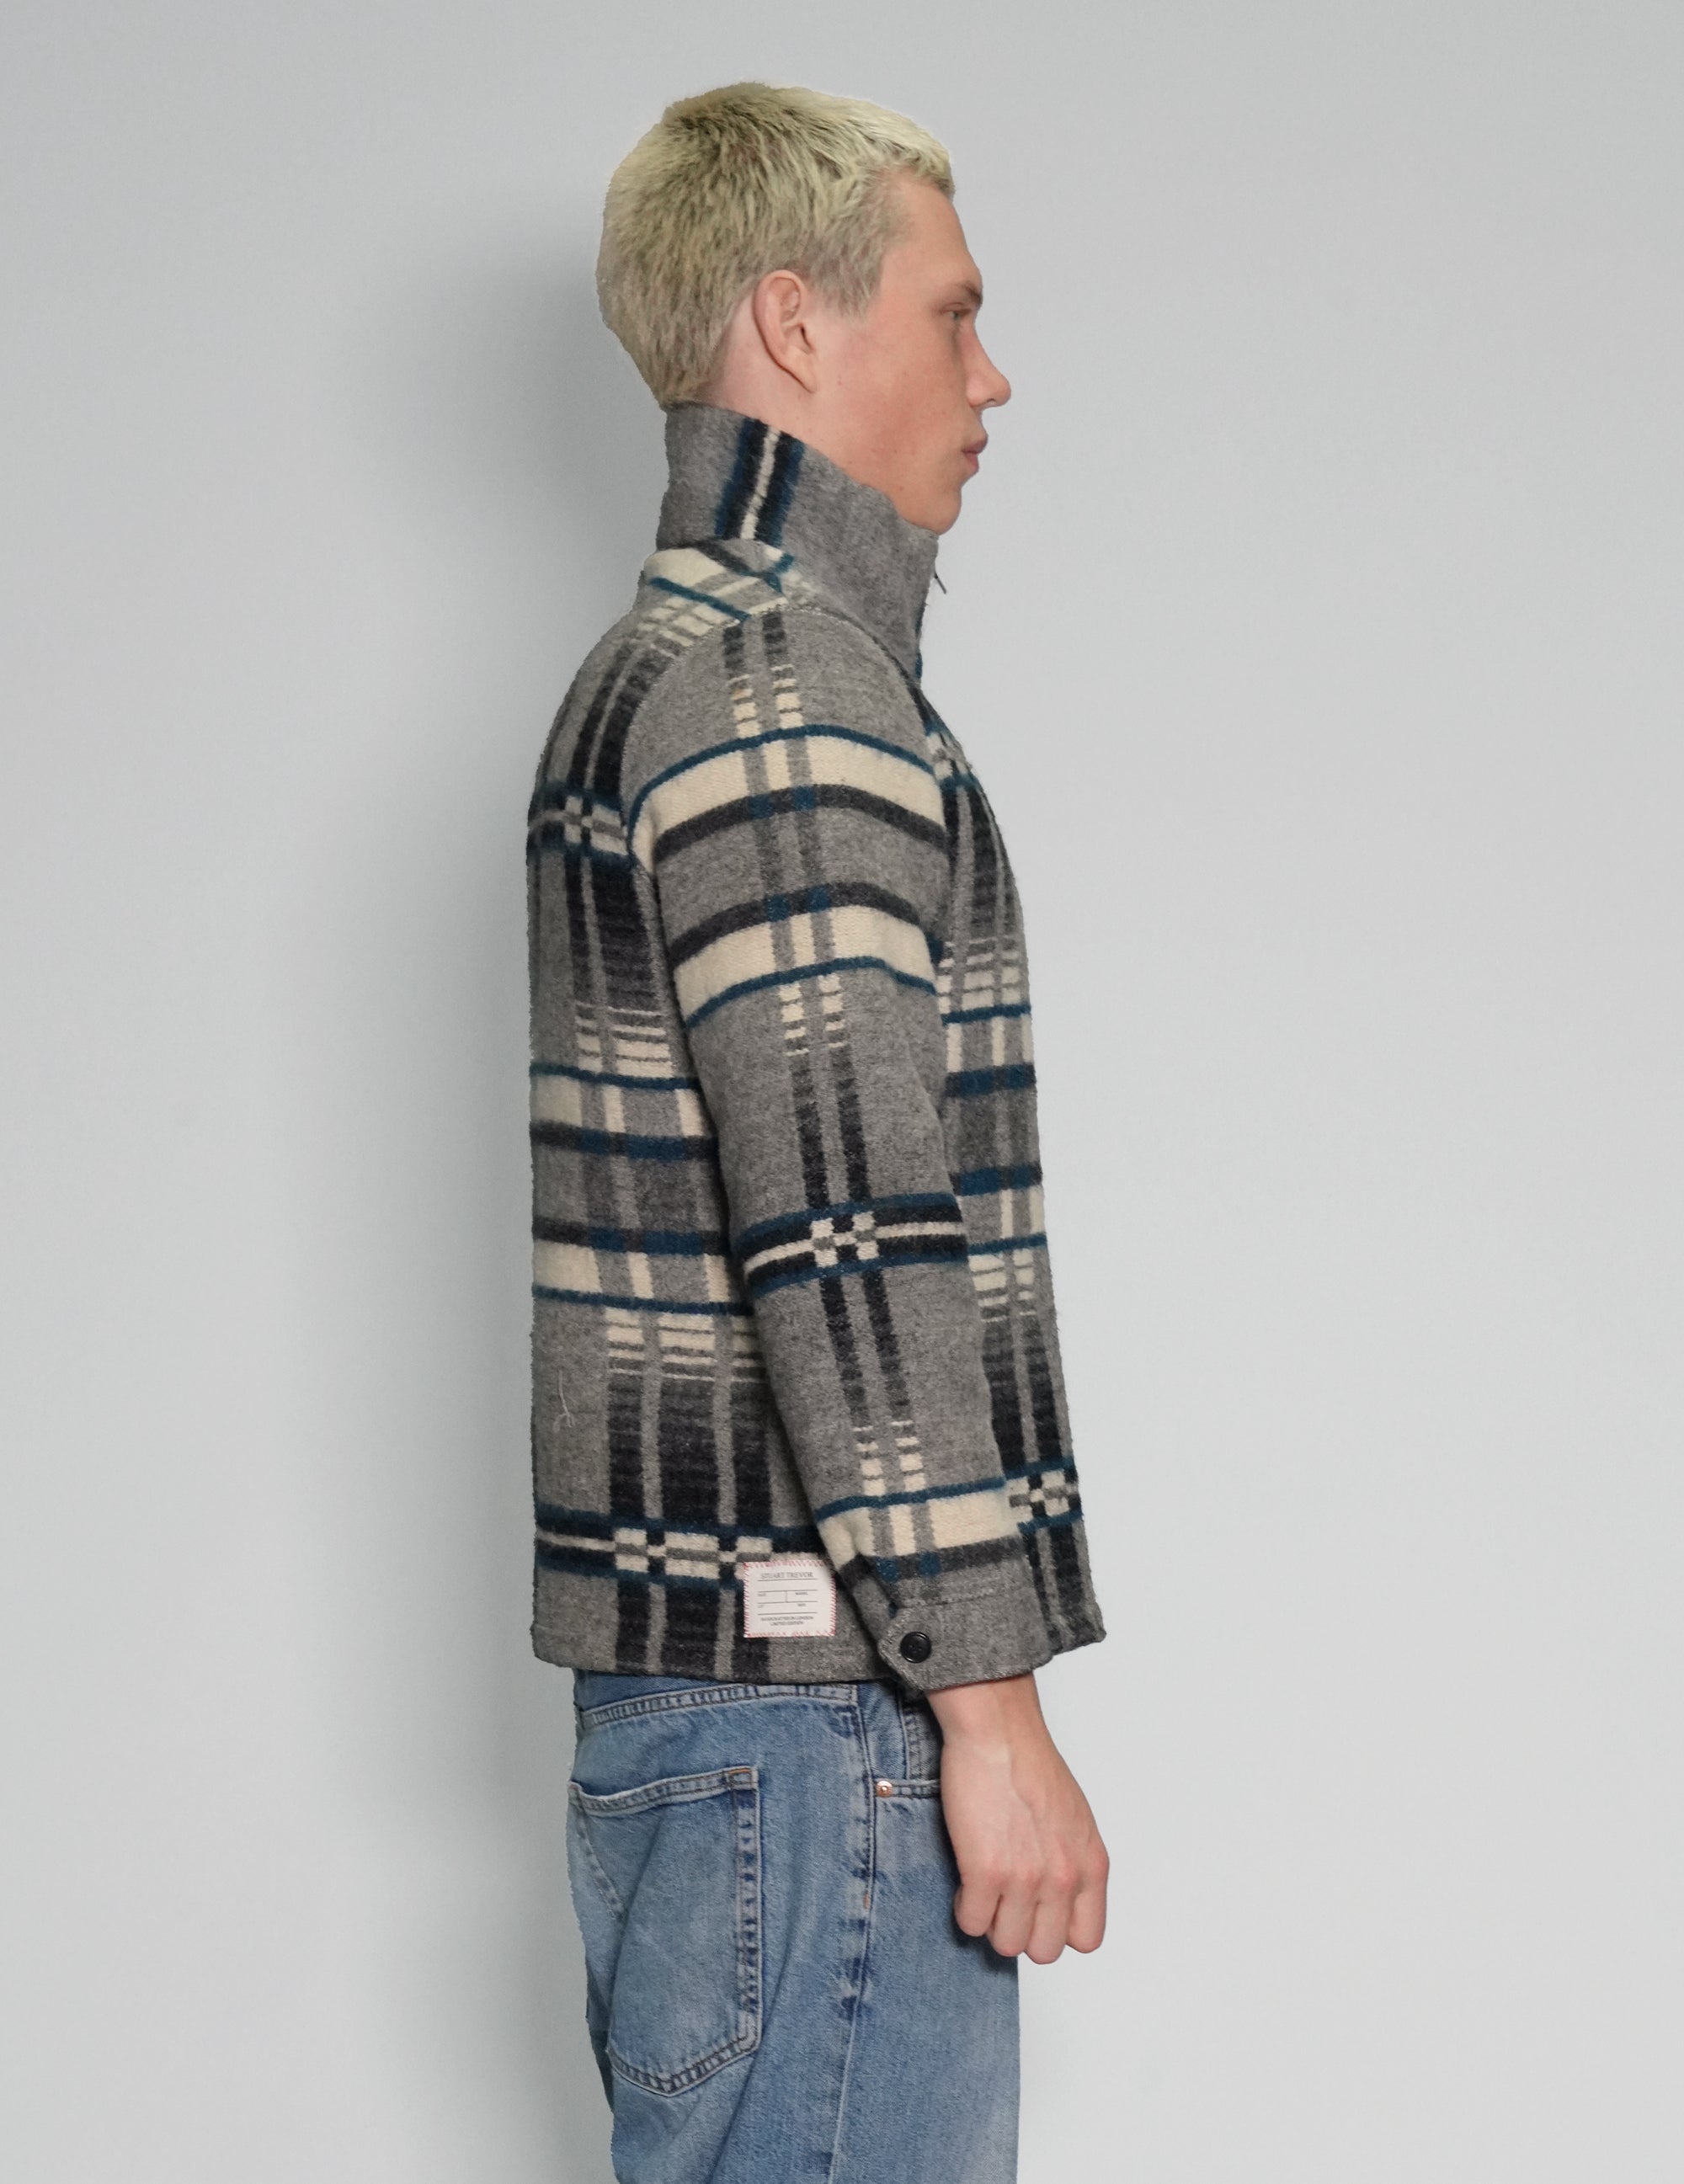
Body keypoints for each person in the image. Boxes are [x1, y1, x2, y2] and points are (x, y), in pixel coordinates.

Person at [526, 81, 1109, 2184]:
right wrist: (989, 1707)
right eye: (952, 314)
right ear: (793, 320)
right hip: (816, 1722)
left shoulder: (683, 672)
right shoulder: (781, 691)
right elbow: (848, 1237)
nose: (992, 373)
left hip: (737, 1731)